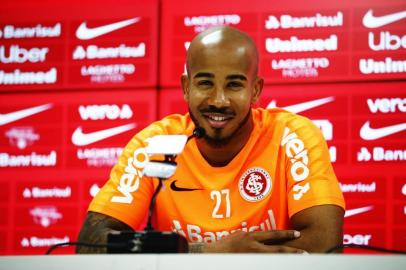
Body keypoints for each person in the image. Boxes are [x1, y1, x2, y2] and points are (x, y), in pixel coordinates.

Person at [76, 26, 345, 253]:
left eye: (234, 85)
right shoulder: (155, 144)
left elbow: (325, 243)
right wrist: (209, 252)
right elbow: (90, 242)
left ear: (255, 90)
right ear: (186, 87)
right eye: (205, 83)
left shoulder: (292, 135)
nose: (218, 100)